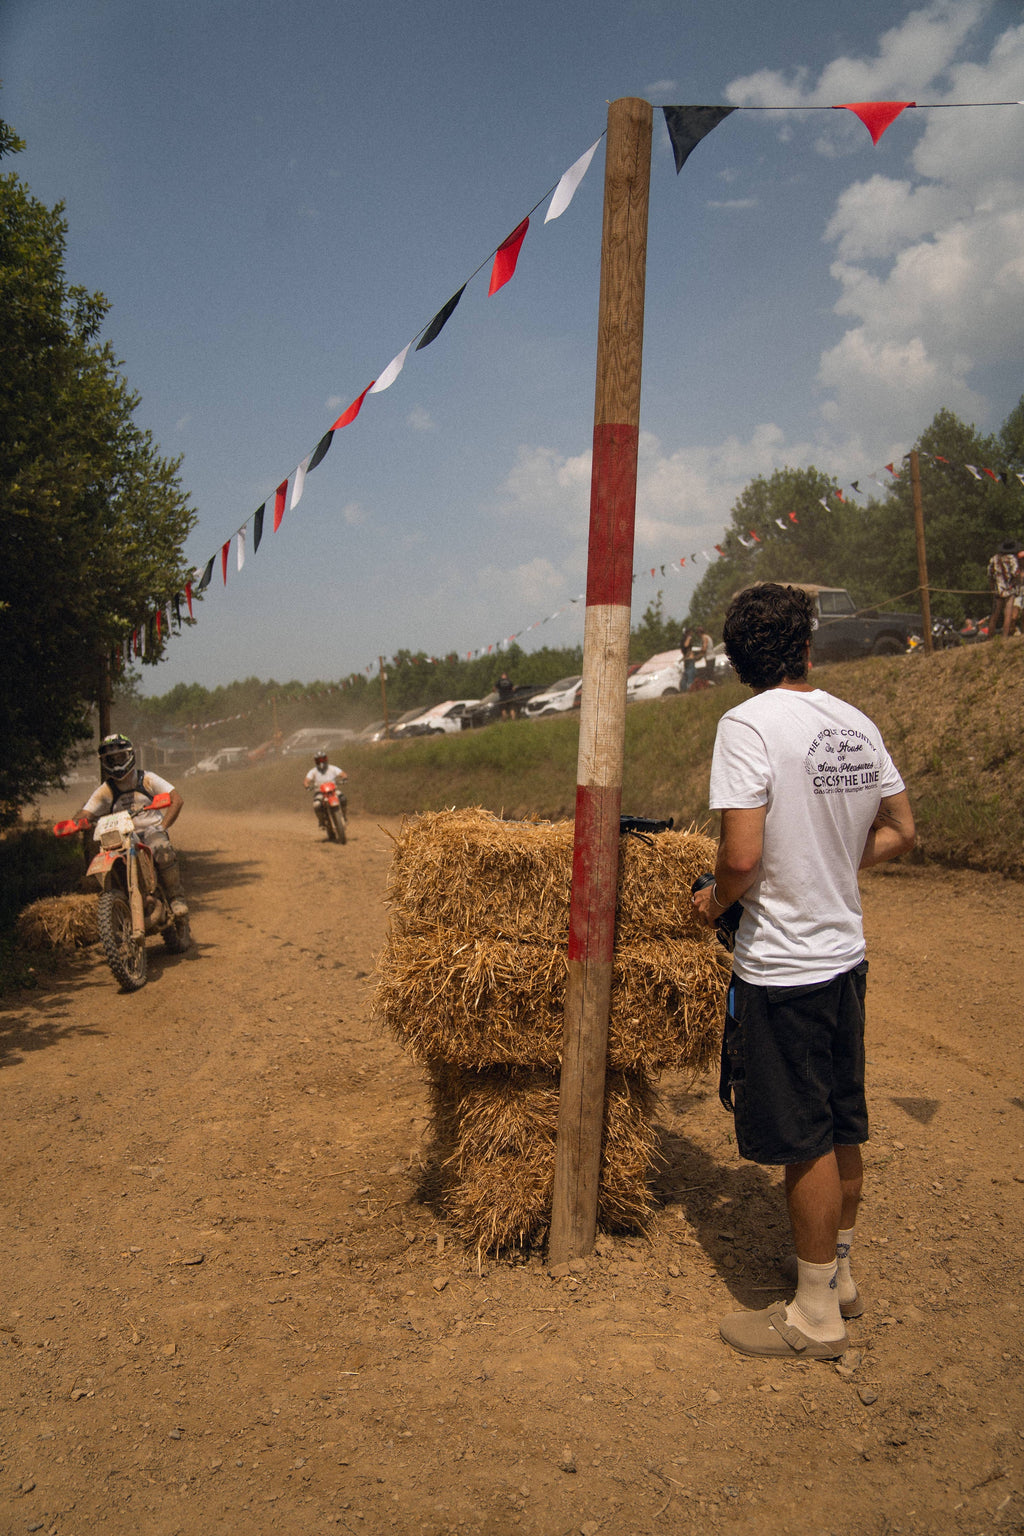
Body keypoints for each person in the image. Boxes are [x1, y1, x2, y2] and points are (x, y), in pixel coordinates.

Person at [693, 583, 915, 1361]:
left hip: (782, 966)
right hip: (845, 959)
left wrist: (712, 902)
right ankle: (841, 1278)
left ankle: (813, 1317)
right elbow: (902, 829)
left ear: (735, 659)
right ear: (808, 647)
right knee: (843, 1117)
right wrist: (830, 865)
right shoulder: (854, 721)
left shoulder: (746, 724)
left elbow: (743, 857)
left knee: (805, 1137)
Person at [77, 734, 188, 915]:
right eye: (111, 759)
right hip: (121, 837)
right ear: (104, 761)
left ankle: (176, 897)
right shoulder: (105, 790)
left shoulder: (147, 779)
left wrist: (162, 827)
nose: (116, 762)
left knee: (162, 848)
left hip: (151, 831)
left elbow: (176, 799)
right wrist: (78, 822)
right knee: (107, 862)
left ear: (129, 756)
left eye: (120, 757)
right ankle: (118, 905)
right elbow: (86, 813)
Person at [987, 539, 1020, 639]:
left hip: (998, 590)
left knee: (994, 616)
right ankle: (1004, 637)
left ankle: (989, 637)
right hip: (1009, 589)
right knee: (1008, 614)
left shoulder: (994, 559)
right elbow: (1015, 574)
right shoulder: (1012, 559)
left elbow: (990, 576)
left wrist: (993, 589)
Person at [681, 626, 696, 692]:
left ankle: (684, 688)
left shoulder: (682, 639)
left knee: (687, 673)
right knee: (691, 674)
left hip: (686, 659)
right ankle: (690, 688)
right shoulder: (687, 638)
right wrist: (689, 638)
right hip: (689, 659)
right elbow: (686, 645)